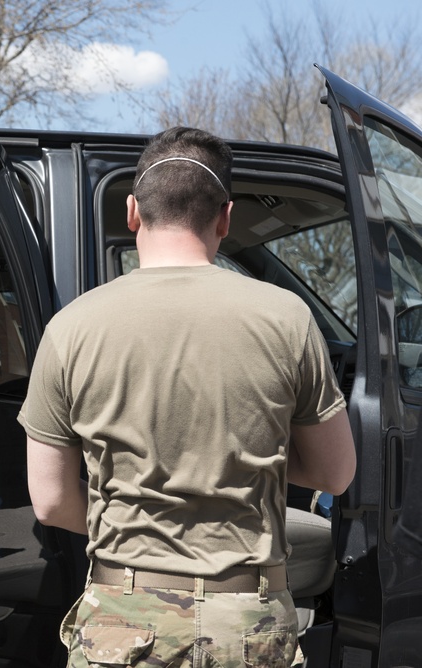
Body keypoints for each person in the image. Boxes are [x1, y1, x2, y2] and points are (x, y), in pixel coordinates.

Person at [18, 127, 356, 667]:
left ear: (132, 211)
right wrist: (242, 455)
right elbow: (336, 474)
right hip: (247, 625)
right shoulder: (286, 317)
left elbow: (52, 500)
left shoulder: (70, 329)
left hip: (122, 625)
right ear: (225, 217)